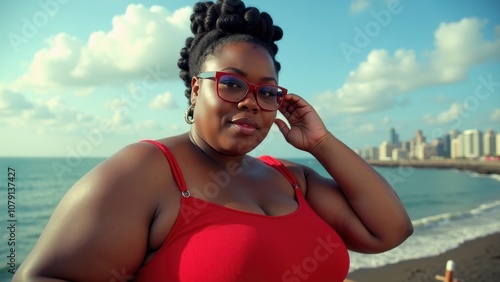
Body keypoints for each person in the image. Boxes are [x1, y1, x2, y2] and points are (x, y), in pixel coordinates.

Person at [13, 0, 413, 281]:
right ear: (194, 91)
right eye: (232, 84)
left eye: (267, 92)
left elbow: (389, 231)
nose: (252, 102)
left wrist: (321, 143)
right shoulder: (147, 171)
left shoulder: (292, 179)